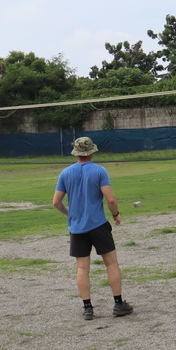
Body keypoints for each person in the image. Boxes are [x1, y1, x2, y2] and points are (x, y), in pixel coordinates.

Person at [53, 137, 133, 321]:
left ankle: (87, 307)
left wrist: (69, 214)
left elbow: (56, 202)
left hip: (77, 228)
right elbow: (111, 199)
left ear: (76, 152)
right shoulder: (99, 171)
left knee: (82, 267)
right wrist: (115, 215)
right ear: (92, 152)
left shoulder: (65, 173)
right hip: (98, 225)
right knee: (111, 263)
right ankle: (118, 303)